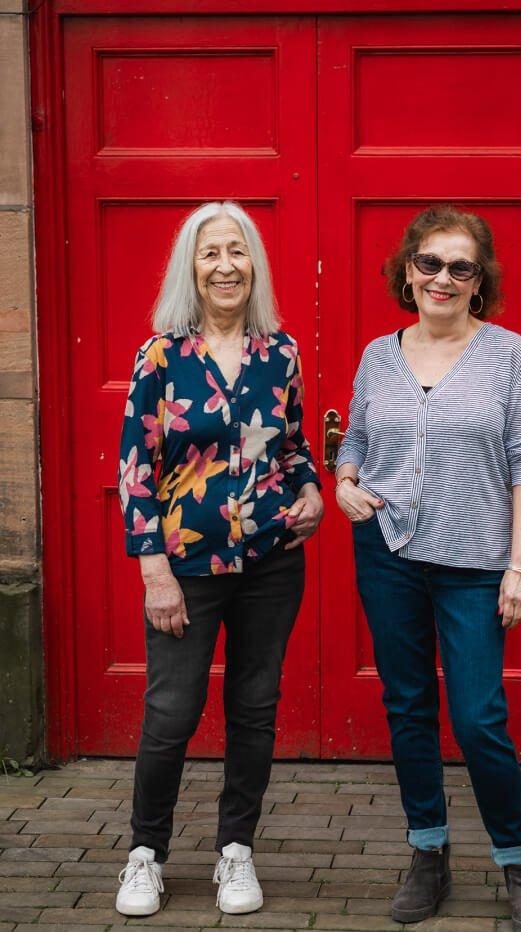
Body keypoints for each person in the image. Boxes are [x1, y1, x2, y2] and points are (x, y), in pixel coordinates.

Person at [335, 205, 521, 930]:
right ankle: (427, 851)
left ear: (478, 280)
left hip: (476, 562)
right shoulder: (378, 354)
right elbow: (355, 436)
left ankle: (518, 859)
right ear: (408, 270)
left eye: (461, 267)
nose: (443, 278)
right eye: (430, 263)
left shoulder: (510, 355)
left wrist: (520, 566)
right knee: (407, 707)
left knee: (478, 716)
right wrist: (344, 483)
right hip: (389, 552)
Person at [115, 201, 323, 917]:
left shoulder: (280, 354)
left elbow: (291, 445)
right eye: (211, 254)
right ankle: (146, 853)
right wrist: (153, 570)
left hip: (270, 562)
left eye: (238, 251)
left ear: (253, 264)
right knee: (172, 713)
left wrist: (313, 495)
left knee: (254, 709)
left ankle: (237, 851)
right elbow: (135, 469)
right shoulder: (162, 356)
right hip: (185, 569)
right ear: (193, 268)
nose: (226, 265)